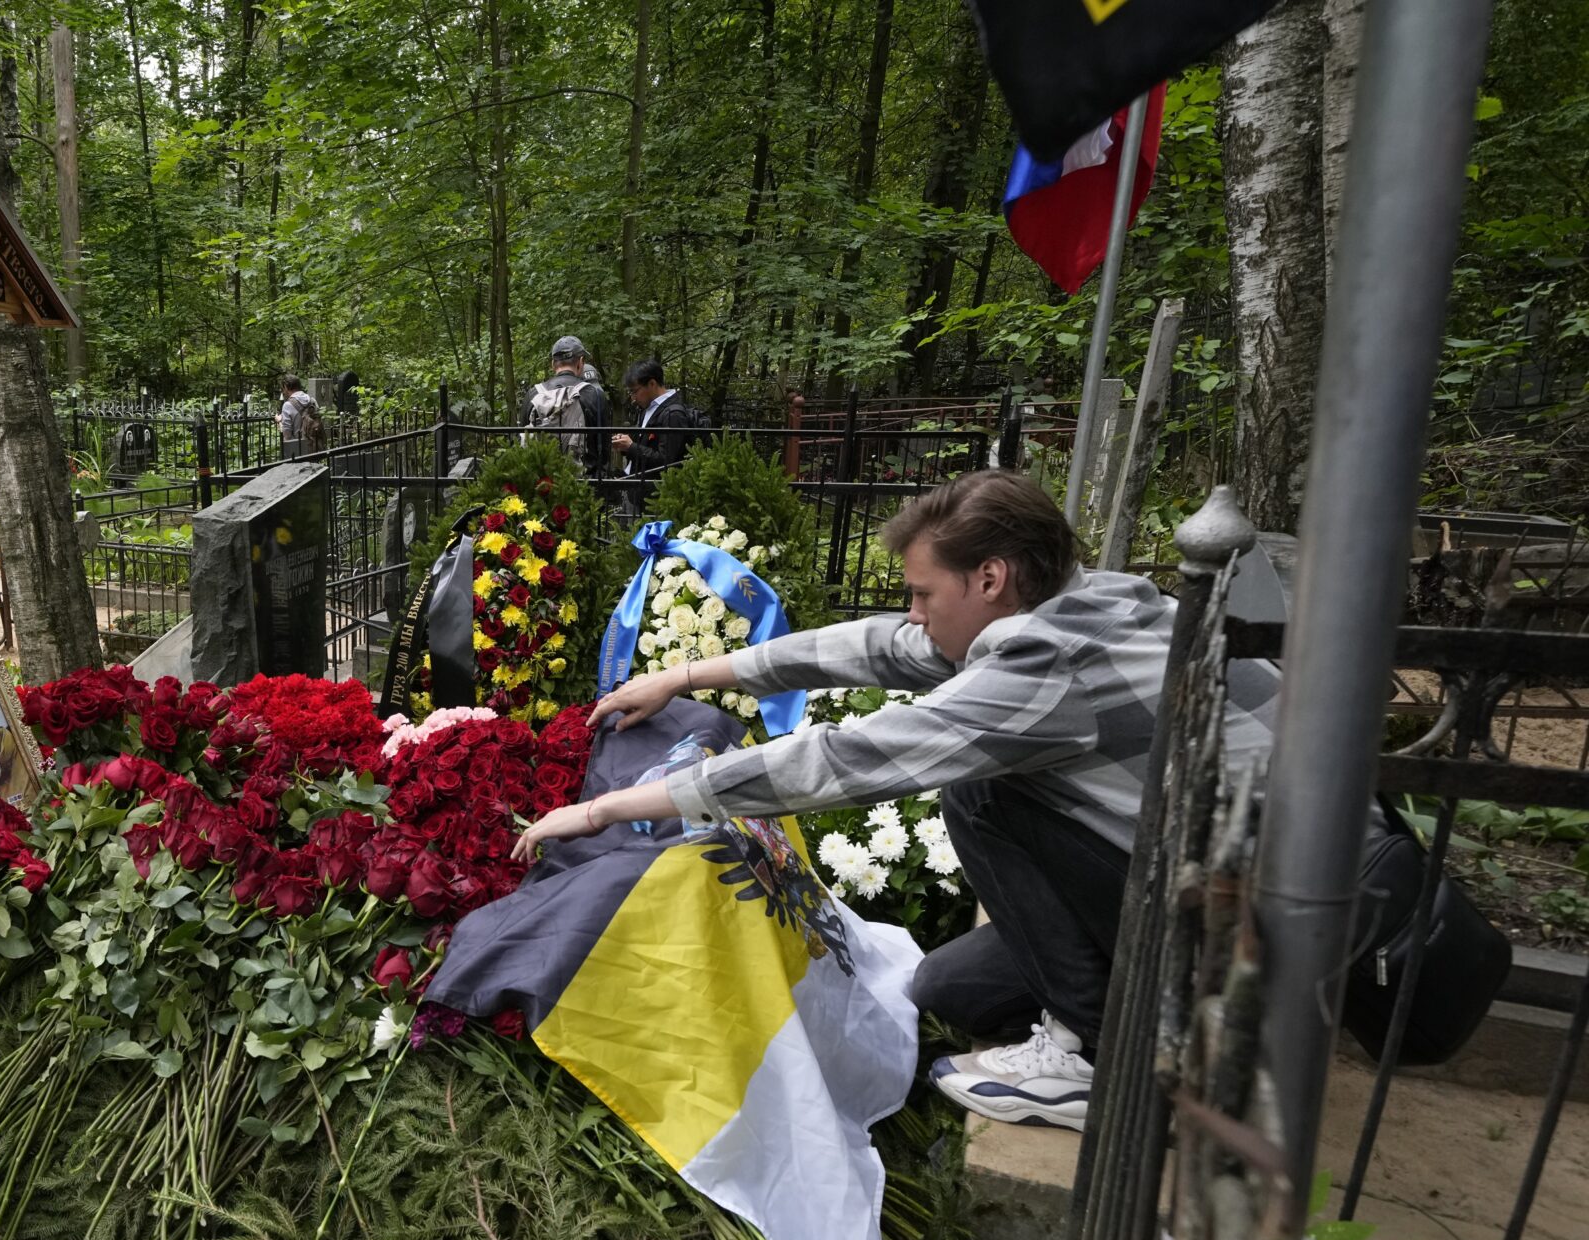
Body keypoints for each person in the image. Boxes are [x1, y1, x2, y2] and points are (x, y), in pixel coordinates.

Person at [511, 470, 1281, 1133]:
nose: (913, 613)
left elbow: (847, 760)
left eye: (922, 593)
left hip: (1255, 917)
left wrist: (607, 809)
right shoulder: (1072, 602)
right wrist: (682, 677)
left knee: (981, 789)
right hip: (1196, 868)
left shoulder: (1050, 662)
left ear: (989, 578)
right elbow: (877, 646)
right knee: (949, 991)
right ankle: (1121, 1009)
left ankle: (1104, 1058)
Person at [518, 336, 613, 475]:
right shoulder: (595, 395)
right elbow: (603, 448)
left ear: (553, 364)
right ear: (581, 362)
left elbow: (520, 441)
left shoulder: (533, 394)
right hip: (584, 482)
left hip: (541, 481)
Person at [609, 359, 705, 476]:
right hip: (634, 479)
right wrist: (625, 444)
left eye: (634, 391)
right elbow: (645, 445)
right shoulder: (648, 408)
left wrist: (631, 447)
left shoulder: (674, 414)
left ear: (652, 384)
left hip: (652, 485)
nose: (633, 398)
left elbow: (666, 462)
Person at [276, 375, 323, 458]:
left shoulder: (287, 405)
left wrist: (280, 422)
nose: (283, 391)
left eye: (283, 388)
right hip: (313, 447)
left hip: (297, 451)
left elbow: (287, 435)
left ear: (286, 387)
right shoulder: (312, 400)